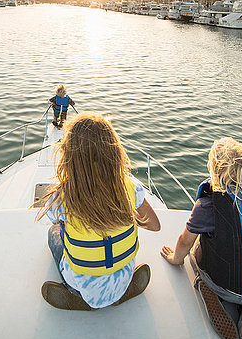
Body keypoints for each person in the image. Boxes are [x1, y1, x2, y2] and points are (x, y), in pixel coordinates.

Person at [36, 113, 161, 310]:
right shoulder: (131, 187)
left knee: (53, 233)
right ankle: (120, 291)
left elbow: (54, 221)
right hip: (124, 275)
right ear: (114, 151)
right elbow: (155, 226)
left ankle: (79, 296)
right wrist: (119, 215)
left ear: (69, 156)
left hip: (80, 285)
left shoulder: (60, 198)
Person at [160, 138, 242, 339]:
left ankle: (208, 288)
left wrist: (175, 259)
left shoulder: (209, 205)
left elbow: (185, 242)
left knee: (195, 250)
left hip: (222, 286)